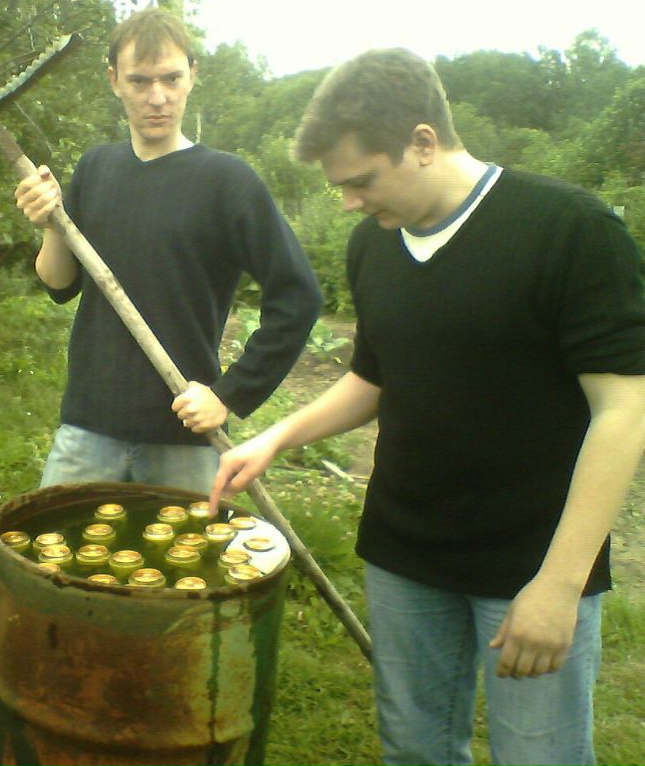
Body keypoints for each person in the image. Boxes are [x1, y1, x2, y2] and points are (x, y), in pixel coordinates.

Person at [210, 48, 645, 766]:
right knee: (414, 749)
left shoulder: (569, 229)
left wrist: (560, 584)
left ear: (421, 142)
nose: (350, 203)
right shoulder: (373, 246)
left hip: (529, 562)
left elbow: (623, 411)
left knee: (539, 757)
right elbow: (373, 379)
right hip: (404, 552)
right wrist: (276, 438)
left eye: (361, 181)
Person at [0, 8, 322, 749]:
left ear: (193, 78)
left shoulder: (227, 182)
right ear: (113, 82)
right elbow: (59, 283)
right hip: (88, 422)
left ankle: (156, 726)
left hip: (182, 436)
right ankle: (19, 709)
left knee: (176, 594)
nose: (158, 96)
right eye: (142, 80)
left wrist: (230, 394)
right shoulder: (97, 169)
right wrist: (51, 223)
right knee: (48, 577)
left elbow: (298, 296)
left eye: (171, 79)